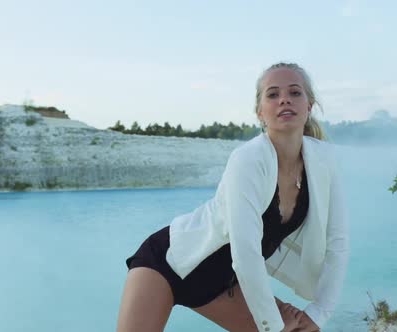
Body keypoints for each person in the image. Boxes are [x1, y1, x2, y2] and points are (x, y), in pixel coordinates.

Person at [117, 62, 350, 332]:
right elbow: (246, 253)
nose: (284, 99)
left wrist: (319, 312)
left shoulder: (325, 160)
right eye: (273, 94)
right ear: (260, 112)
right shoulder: (248, 159)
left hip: (223, 284)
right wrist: (273, 326)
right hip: (169, 263)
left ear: (309, 105)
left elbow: (338, 242)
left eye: (294, 92)